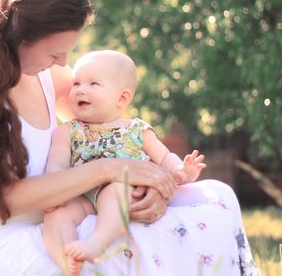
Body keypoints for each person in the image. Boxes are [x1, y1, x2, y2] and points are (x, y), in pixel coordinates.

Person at [0, 0, 260, 276]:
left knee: (215, 198)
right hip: (7, 248)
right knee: (165, 243)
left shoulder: (49, 75)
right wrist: (109, 170)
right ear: (21, 37)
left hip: (69, 218)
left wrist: (152, 191)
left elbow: (109, 128)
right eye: (55, 52)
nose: (63, 64)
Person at [43, 50, 207, 274]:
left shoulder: (136, 129)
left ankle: (96, 243)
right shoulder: (68, 131)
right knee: (57, 213)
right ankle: (66, 259)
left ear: (121, 98)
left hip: (124, 191)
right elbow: (56, 165)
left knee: (114, 191)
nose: (81, 89)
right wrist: (54, 193)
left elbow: (164, 157)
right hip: (84, 195)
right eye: (77, 83)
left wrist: (181, 171)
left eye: (93, 84)